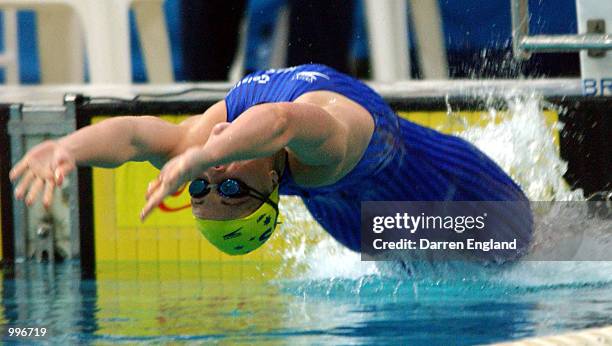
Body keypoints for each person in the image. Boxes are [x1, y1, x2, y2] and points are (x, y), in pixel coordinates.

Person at [10, 64, 532, 260]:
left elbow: (134, 140)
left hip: (372, 215)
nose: (210, 179)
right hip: (462, 201)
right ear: (273, 181)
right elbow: (282, 119)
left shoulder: (217, 145)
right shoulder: (325, 150)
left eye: (201, 191)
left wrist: (67, 149)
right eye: (230, 192)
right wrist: (206, 153)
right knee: (532, 248)